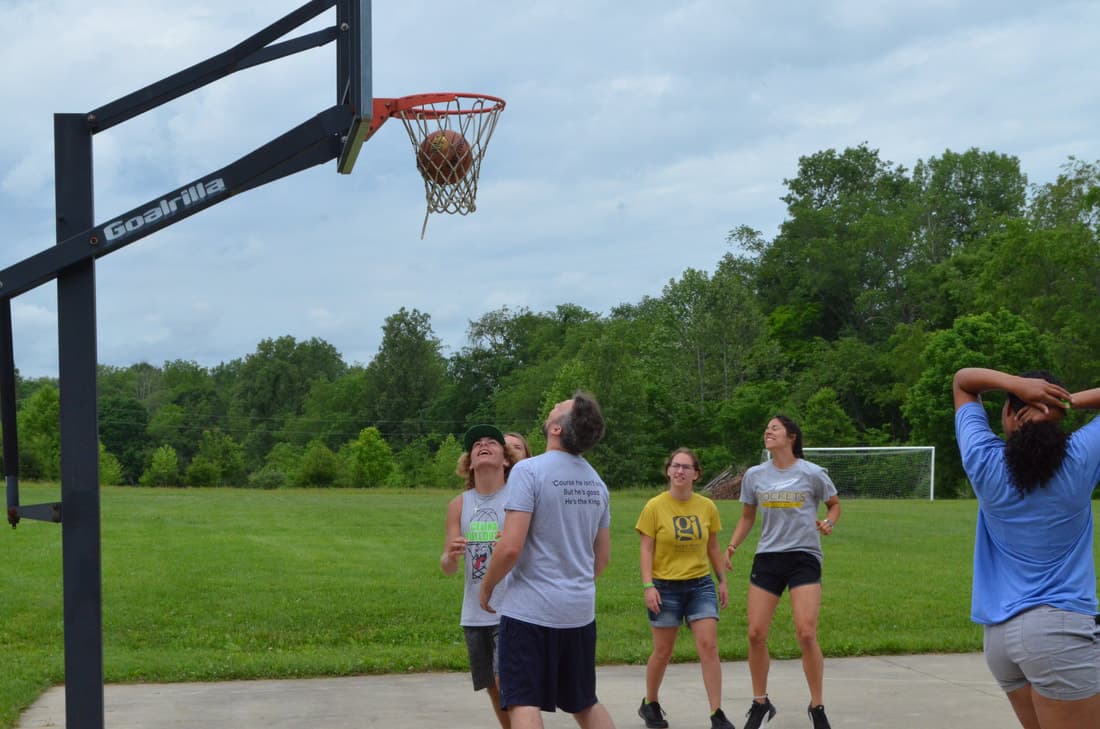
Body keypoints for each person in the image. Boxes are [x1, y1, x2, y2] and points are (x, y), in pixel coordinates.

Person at [952, 367, 1100, 729]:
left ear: (1007, 414)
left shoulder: (985, 462)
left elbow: (963, 382)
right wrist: (1066, 400)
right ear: (1059, 416)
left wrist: (1017, 387)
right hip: (1059, 632)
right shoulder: (1079, 459)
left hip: (1000, 638)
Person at [478, 391, 617, 729]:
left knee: (524, 703)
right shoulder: (597, 483)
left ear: (557, 429)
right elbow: (602, 559)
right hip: (579, 613)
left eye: (559, 407)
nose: (554, 405)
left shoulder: (529, 471)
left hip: (530, 613)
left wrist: (487, 588)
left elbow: (510, 547)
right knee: (584, 702)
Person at [724, 415, 840, 729]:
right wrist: (732, 547)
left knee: (805, 631)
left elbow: (834, 504)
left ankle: (817, 706)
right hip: (768, 558)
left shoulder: (813, 473)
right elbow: (747, 517)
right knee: (755, 633)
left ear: (791, 436)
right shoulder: (754, 475)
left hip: (804, 556)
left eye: (774, 428)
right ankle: (760, 703)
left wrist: (829, 521)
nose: (768, 432)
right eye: (767, 428)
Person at [636, 448, 734, 729]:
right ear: (668, 471)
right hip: (664, 587)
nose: (680, 471)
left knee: (709, 646)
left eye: (686, 467)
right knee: (663, 651)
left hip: (699, 585)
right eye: (675, 466)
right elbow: (646, 549)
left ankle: (717, 713)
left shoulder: (706, 506)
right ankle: (650, 703)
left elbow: (713, 546)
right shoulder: (654, 507)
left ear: (696, 474)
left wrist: (722, 580)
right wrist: (648, 586)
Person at [441, 424, 514, 729]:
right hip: (473, 611)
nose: (483, 445)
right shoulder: (459, 504)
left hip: (510, 607)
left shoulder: (516, 497)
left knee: (504, 678)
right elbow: (447, 564)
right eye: (476, 445)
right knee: (491, 685)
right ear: (469, 462)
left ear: (506, 459)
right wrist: (450, 555)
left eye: (491, 443)